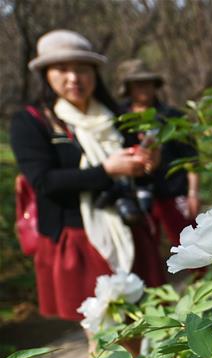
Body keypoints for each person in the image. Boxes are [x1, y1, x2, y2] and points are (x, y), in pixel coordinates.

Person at [9, 30, 165, 325]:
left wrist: (148, 163)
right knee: (103, 330)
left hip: (129, 227)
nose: (74, 78)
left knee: (148, 323)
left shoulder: (118, 117)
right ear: (45, 75)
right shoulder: (32, 122)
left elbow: (141, 175)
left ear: (95, 73)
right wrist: (107, 170)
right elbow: (44, 181)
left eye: (82, 69)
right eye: (62, 70)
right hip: (78, 237)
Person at [117, 58, 200, 246]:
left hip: (173, 190)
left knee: (190, 243)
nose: (144, 89)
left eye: (148, 83)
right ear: (128, 88)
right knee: (146, 248)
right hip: (138, 194)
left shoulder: (173, 117)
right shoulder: (119, 119)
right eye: (138, 84)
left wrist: (193, 193)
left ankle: (200, 275)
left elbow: (191, 158)